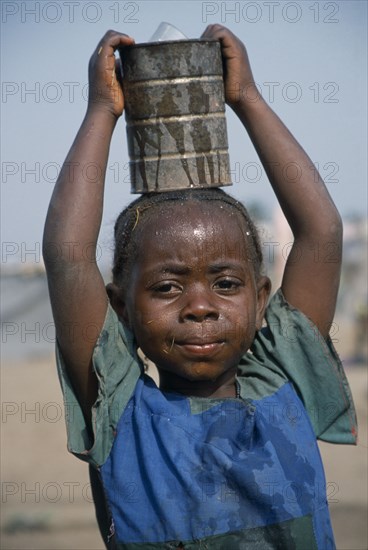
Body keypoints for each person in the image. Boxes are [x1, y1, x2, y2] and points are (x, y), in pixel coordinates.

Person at [43, 24, 357, 549]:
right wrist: (102, 112)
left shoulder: (284, 384)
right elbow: (68, 257)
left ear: (261, 298)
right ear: (121, 306)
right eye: (167, 288)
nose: (200, 307)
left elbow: (321, 232)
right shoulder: (123, 412)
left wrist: (247, 99)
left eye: (226, 283)